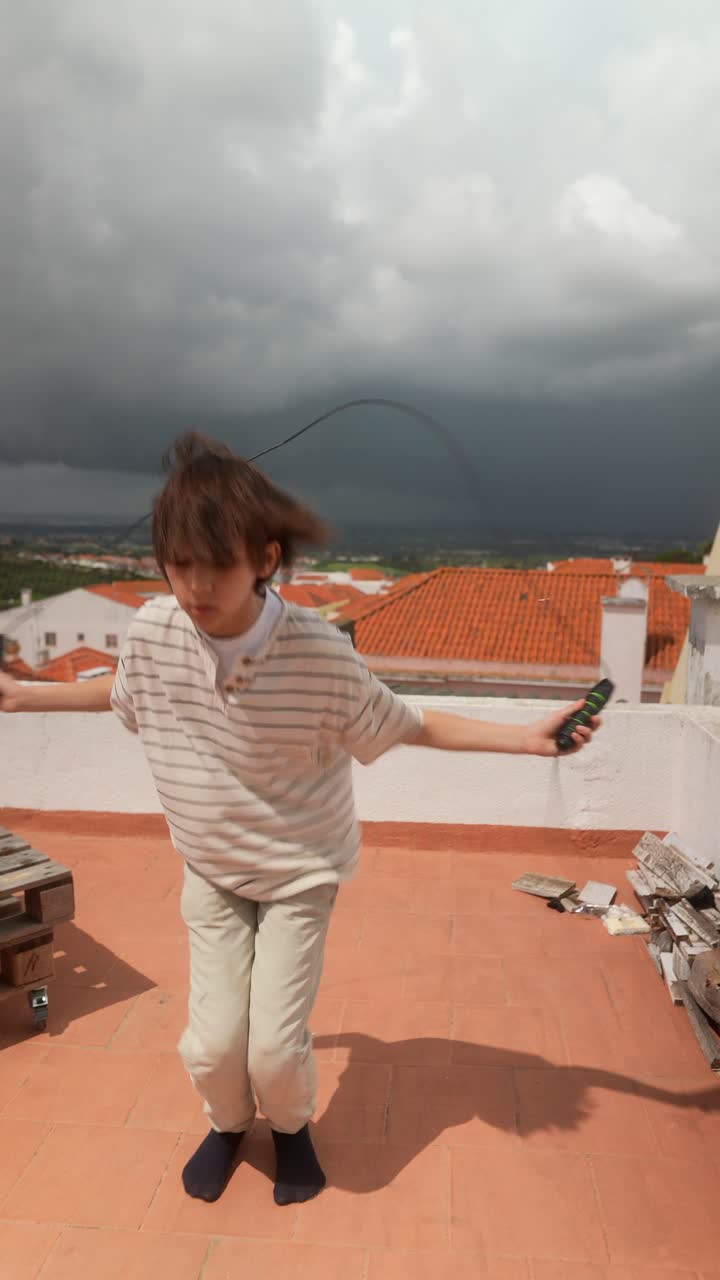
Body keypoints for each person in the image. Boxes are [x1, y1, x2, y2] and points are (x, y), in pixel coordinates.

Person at [0, 433, 600, 1206]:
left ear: (265, 558)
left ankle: (290, 1128)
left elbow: (410, 721)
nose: (193, 583)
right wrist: (19, 695)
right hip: (212, 870)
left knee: (275, 1048)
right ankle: (227, 1124)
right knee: (215, 1046)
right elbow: (122, 695)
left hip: (300, 873)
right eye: (176, 562)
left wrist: (524, 739)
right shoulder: (155, 635)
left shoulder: (318, 655)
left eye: (213, 562)